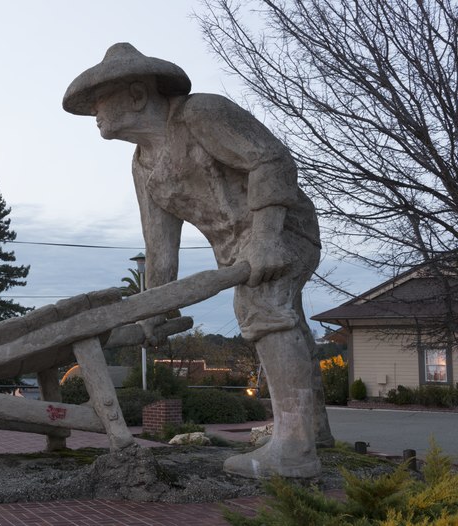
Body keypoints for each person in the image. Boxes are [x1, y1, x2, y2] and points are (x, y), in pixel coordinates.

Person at [63, 43, 333, 478]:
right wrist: (155, 308)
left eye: (100, 98)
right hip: (236, 251)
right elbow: (160, 248)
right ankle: (314, 433)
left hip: (283, 229)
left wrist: (265, 239)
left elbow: (271, 159)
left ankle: (296, 452)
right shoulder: (142, 165)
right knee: (288, 323)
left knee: (261, 307)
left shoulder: (201, 114)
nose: (95, 111)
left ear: (135, 94)